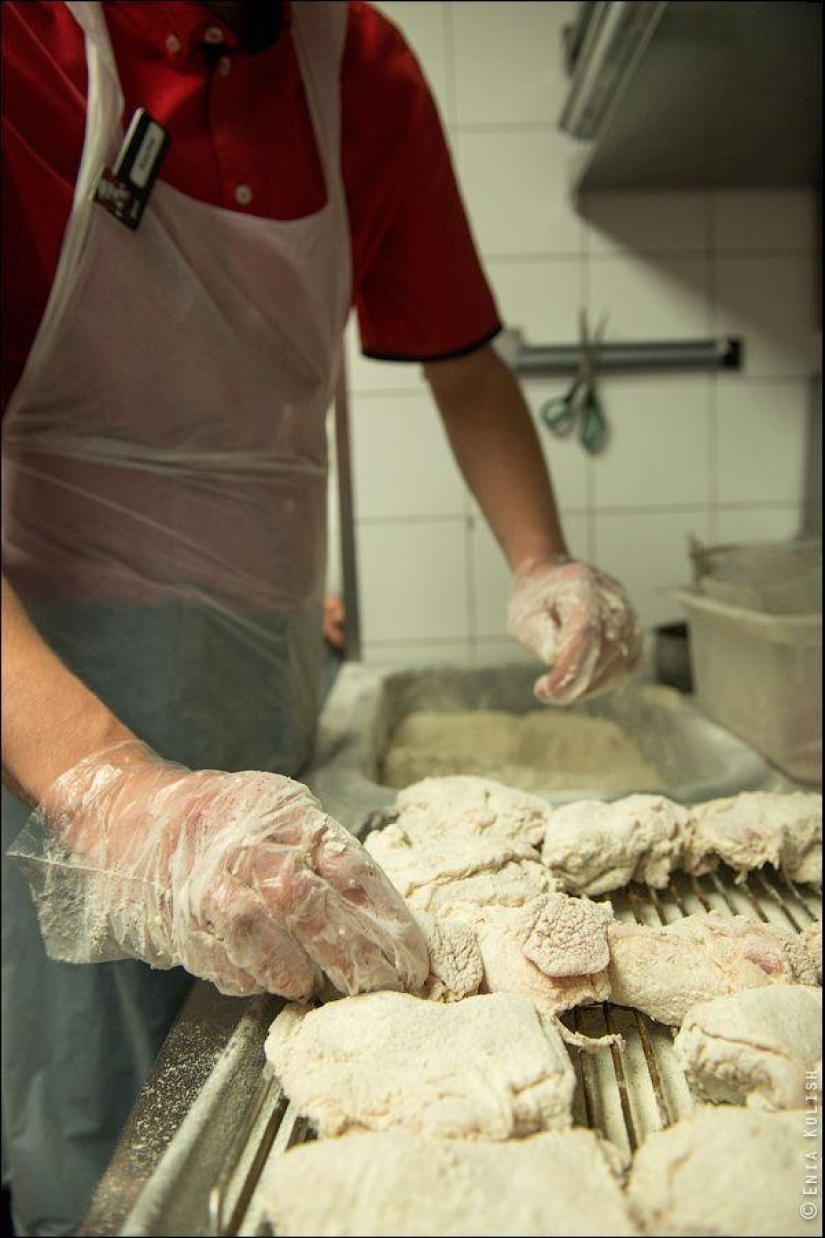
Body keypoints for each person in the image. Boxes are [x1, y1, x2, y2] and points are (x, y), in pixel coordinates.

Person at [1, 2, 641, 1233]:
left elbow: (462, 360)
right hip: (57, 707)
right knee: (109, 1131)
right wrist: (109, 785)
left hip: (276, 667)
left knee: (276, 1075)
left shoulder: (360, 65)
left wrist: (542, 557)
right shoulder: (32, 42)